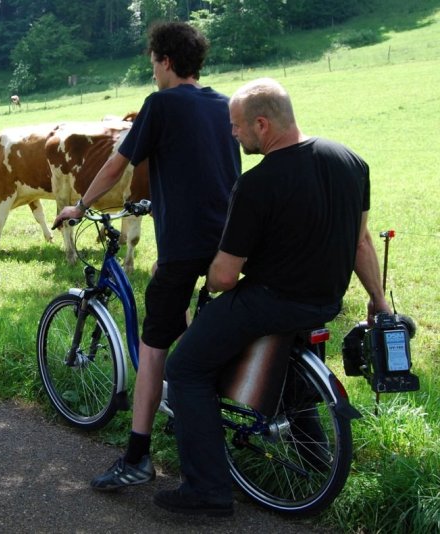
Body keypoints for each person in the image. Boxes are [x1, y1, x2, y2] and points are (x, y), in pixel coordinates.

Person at [154, 78, 391, 517]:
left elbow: (225, 276)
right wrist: (378, 299)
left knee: (185, 368)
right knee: (295, 386)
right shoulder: (351, 163)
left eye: (237, 126)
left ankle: (206, 490)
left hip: (269, 303)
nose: (233, 134)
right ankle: (316, 463)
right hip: (324, 303)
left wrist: (200, 275)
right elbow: (361, 243)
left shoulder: (257, 184)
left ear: (261, 124)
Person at [53, 21, 241, 490]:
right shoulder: (224, 105)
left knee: (153, 348)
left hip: (186, 246)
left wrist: (82, 204)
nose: (153, 71)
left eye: (153, 62)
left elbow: (118, 162)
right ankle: (193, 404)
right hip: (231, 243)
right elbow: (207, 167)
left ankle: (136, 456)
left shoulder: (160, 104)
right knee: (190, 323)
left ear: (167, 62)